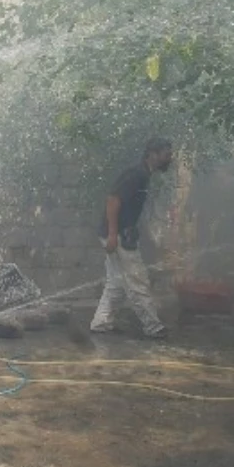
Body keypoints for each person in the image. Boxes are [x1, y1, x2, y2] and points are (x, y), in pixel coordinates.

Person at [90, 138, 174, 339]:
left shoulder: (144, 175)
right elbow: (112, 200)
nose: (169, 158)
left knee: (116, 283)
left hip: (120, 234)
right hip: (116, 236)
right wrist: (112, 234)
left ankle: (101, 323)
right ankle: (153, 326)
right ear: (152, 154)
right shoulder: (136, 175)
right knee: (138, 279)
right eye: (166, 154)